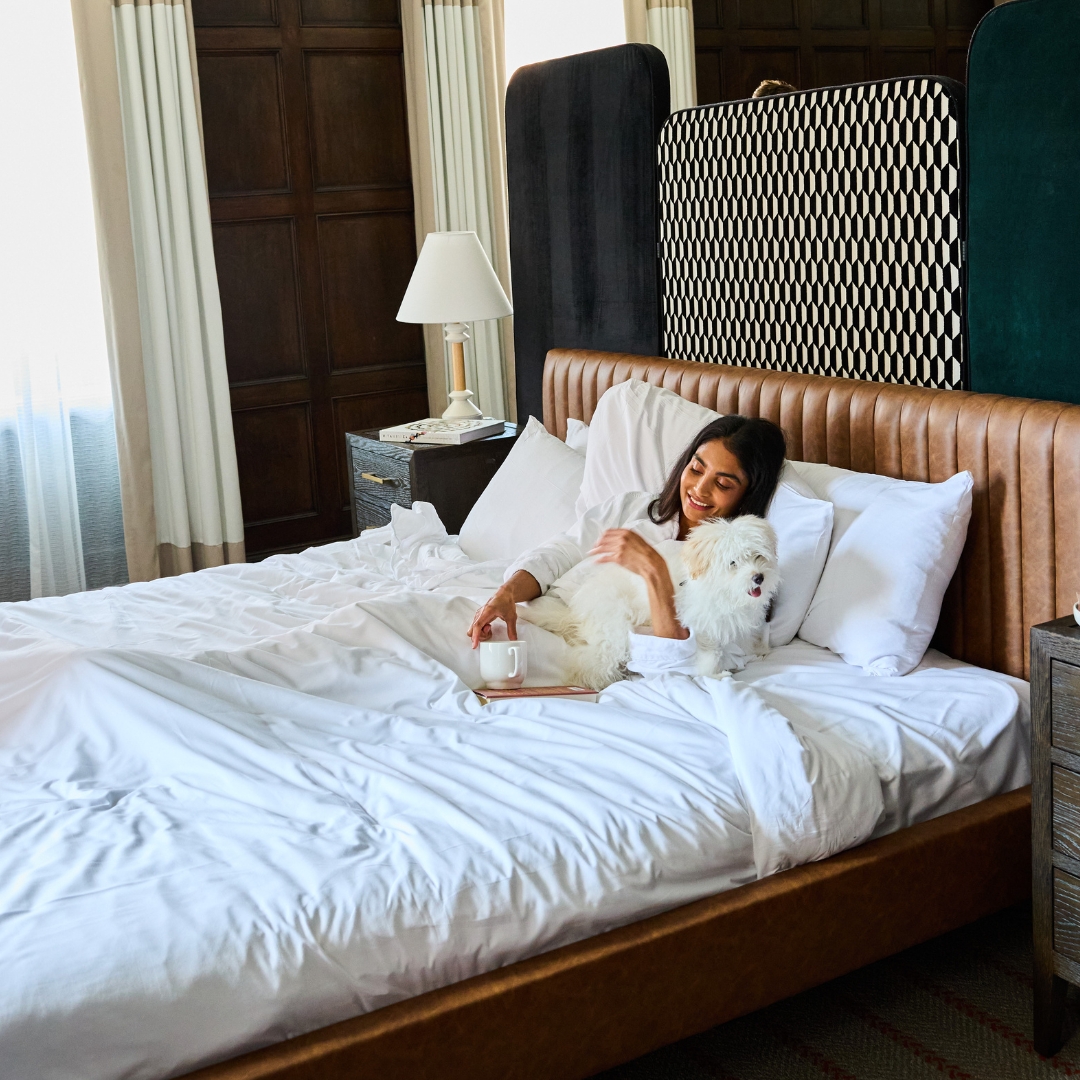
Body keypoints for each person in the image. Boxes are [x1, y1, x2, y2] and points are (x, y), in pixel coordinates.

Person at [467, 415, 786, 671]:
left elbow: (680, 661)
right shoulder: (634, 507)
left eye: (722, 483)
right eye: (696, 469)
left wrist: (654, 572)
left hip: (590, 652)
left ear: (748, 493)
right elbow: (563, 551)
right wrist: (505, 595)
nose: (699, 489)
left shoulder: (737, 577)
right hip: (538, 613)